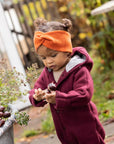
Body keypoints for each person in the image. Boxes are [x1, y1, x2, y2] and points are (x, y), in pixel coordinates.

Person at [29, 17, 105, 144]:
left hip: (85, 126)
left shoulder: (79, 70)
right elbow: (36, 89)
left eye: (53, 55)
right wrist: (37, 96)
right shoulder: (47, 72)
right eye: (43, 58)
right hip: (64, 129)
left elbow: (84, 94)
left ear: (67, 51)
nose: (48, 61)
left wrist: (58, 98)